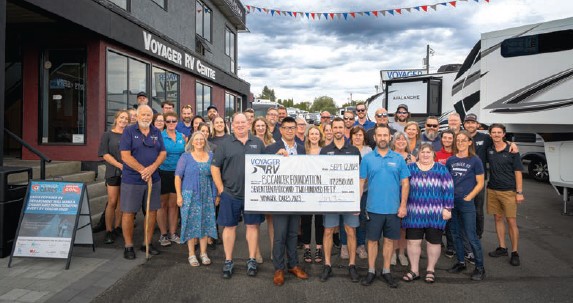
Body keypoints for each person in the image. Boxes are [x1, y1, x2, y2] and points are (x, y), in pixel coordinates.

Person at [211, 113, 266, 279]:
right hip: (230, 193)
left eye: (243, 122)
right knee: (229, 227)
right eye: (237, 123)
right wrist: (221, 189)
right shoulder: (225, 143)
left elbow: (268, 164)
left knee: (253, 227)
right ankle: (228, 261)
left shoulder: (257, 142)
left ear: (249, 124)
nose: (240, 125)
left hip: (253, 195)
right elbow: (215, 168)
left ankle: (251, 260)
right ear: (232, 125)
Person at [359, 125, 410, 288]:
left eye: (385, 135)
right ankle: (372, 270)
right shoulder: (367, 159)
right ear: (375, 138)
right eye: (379, 135)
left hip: (393, 210)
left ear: (390, 138)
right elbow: (361, 182)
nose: (382, 138)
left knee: (389, 241)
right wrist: (356, 204)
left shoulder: (398, 158)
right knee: (372, 241)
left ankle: (386, 270)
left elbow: (405, 183)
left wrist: (403, 205)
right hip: (373, 209)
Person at [266, 117, 309, 286]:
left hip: (296, 198)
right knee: (280, 235)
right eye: (287, 128)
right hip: (279, 199)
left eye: (293, 127)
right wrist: (275, 158)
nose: (290, 130)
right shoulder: (272, 148)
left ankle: (293, 265)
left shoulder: (301, 149)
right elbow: (263, 171)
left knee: (293, 234)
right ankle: (278, 268)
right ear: (281, 130)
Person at [119, 105, 166, 260]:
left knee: (152, 211)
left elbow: (163, 153)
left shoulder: (156, 132)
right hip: (132, 179)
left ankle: (147, 243)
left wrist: (151, 169)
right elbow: (125, 156)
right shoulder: (129, 131)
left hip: (154, 178)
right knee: (129, 212)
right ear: (137, 116)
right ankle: (128, 245)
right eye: (143, 114)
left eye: (148, 115)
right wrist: (142, 170)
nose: (146, 117)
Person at [402, 143, 454, 283]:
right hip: (414, 213)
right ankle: (414, 270)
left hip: (435, 214)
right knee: (413, 242)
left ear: (433, 154)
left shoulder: (441, 169)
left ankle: (431, 269)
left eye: (428, 152)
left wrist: (448, 208)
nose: (425, 154)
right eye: (423, 152)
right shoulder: (410, 168)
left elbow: (448, 189)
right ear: (418, 154)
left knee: (433, 242)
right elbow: (403, 187)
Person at [319, 117, 362, 283]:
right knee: (328, 231)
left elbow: (359, 177)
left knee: (350, 231)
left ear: (345, 130)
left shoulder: (353, 151)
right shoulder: (324, 151)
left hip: (349, 198)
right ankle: (327, 265)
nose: (337, 130)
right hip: (330, 198)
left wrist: (356, 200)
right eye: (334, 127)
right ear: (330, 130)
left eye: (340, 127)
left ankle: (352, 265)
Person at [446, 130, 487, 280]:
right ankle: (461, 262)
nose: (461, 143)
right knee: (455, 233)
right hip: (452, 202)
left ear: (470, 142)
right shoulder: (451, 160)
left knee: (471, 236)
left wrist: (469, 197)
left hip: (467, 203)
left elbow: (480, 183)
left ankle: (480, 268)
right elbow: (447, 181)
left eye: (464, 140)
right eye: (459, 140)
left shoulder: (475, 160)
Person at [175, 132, 218, 267]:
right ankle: (191, 254)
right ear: (192, 142)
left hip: (207, 194)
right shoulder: (185, 157)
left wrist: (217, 195)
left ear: (205, 142)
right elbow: (177, 177)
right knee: (190, 222)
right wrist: (179, 195)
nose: (199, 141)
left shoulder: (211, 156)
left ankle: (203, 253)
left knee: (205, 222)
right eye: (196, 139)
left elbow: (215, 176)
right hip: (189, 194)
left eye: (202, 139)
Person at [486, 123, 524, 267]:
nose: (496, 134)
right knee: (497, 218)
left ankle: (515, 252)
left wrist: (519, 192)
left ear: (504, 134)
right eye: (493, 132)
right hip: (493, 189)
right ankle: (502, 247)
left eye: (499, 132)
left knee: (511, 221)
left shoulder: (512, 150)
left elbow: (518, 171)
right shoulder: (489, 148)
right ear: (490, 134)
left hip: (509, 191)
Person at [98, 110, 129, 244]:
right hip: (113, 172)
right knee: (112, 201)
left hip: (128, 173)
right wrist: (119, 165)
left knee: (122, 203)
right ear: (116, 119)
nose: (124, 120)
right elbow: (104, 154)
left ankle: (118, 227)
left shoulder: (129, 135)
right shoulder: (107, 135)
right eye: (121, 118)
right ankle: (109, 230)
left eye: (126, 119)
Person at [157, 112, 186, 247]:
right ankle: (163, 234)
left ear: (177, 122)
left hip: (177, 174)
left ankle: (173, 233)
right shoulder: (159, 136)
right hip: (162, 172)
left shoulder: (181, 137)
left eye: (174, 121)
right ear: (164, 123)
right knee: (162, 205)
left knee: (173, 205)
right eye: (168, 121)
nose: (171, 124)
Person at [389, 131, 416, 267]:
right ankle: (393, 253)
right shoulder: (389, 156)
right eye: (398, 139)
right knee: (394, 226)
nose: (400, 141)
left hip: (407, 194)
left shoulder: (412, 158)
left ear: (407, 141)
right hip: (392, 193)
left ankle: (401, 253)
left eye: (403, 139)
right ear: (393, 141)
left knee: (404, 227)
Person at [251, 116, 275, 263]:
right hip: (255, 186)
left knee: (272, 221)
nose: (260, 128)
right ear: (254, 127)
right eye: (258, 125)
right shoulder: (249, 142)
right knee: (255, 222)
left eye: (262, 125)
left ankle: (274, 251)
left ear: (266, 127)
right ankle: (256, 252)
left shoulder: (272, 142)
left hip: (270, 186)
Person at [301, 125, 325, 264]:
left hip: (321, 191)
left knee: (320, 221)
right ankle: (307, 248)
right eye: (312, 134)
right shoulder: (302, 151)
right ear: (308, 136)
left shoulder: (325, 151)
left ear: (320, 136)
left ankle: (319, 248)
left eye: (317, 134)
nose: (314, 136)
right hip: (306, 191)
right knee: (306, 221)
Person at [349, 126, 372, 260]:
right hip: (348, 190)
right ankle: (345, 244)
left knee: (362, 217)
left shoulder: (368, 151)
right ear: (351, 136)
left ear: (364, 137)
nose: (357, 137)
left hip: (365, 190)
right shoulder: (347, 150)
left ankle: (361, 245)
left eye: (360, 135)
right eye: (355, 135)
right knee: (347, 218)